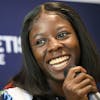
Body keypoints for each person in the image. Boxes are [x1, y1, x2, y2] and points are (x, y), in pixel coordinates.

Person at [0, 1, 100, 100]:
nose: (54, 46)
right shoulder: (13, 97)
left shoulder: (94, 95)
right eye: (40, 41)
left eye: (62, 35)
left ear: (79, 38)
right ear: (31, 53)